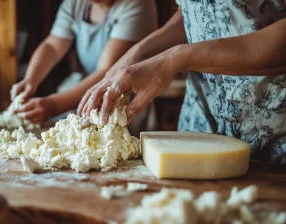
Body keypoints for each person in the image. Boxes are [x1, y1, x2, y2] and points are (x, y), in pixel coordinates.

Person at [78, 1, 286, 164]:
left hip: (274, 128)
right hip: (202, 122)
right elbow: (194, 13)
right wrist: (138, 54)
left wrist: (172, 60)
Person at [11, 0, 157, 122]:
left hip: (127, 100)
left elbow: (106, 72)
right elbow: (53, 46)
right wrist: (30, 79)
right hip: (89, 90)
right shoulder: (75, 4)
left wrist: (53, 105)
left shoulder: (136, 4)